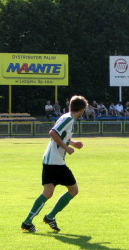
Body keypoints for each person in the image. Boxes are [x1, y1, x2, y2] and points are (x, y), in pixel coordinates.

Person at [21, 95, 88, 232]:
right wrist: (67, 148)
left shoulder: (65, 117)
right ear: (81, 109)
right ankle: (49, 216)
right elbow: (53, 133)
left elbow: (60, 135)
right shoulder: (69, 119)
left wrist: (73, 143)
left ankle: (28, 222)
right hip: (55, 162)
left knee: (48, 192)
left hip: (51, 160)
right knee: (73, 190)